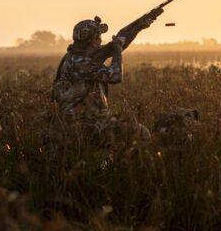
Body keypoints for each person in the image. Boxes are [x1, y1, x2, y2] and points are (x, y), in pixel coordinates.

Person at [51, 16, 153, 146]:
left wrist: (138, 27)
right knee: (141, 133)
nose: (101, 41)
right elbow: (115, 76)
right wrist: (117, 48)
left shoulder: (74, 56)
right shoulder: (82, 63)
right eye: (99, 38)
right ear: (93, 41)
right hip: (84, 124)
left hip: (82, 120)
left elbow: (113, 46)